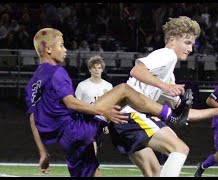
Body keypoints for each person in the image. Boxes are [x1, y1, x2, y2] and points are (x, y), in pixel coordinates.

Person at [25, 27, 195, 177]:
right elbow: (71, 103)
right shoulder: (57, 72)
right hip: (77, 128)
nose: (65, 49)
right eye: (61, 45)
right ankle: (170, 116)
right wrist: (103, 112)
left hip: (67, 142)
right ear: (48, 49)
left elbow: (33, 120)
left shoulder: (33, 83)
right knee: (123, 89)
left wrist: (43, 153)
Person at [108, 16, 218, 177]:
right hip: (131, 114)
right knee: (180, 149)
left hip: (121, 120)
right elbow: (136, 70)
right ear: (172, 40)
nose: (191, 48)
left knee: (155, 173)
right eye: (187, 42)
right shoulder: (167, 54)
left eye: (192, 43)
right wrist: (165, 86)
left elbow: (182, 114)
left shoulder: (168, 75)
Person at [75, 55, 113, 155]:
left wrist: (107, 123)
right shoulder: (82, 86)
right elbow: (77, 104)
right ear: (90, 70)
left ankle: (89, 166)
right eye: (94, 68)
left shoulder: (108, 86)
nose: (96, 70)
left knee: (93, 147)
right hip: (86, 120)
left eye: (99, 68)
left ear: (102, 70)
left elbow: (110, 105)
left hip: (101, 122)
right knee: (91, 145)